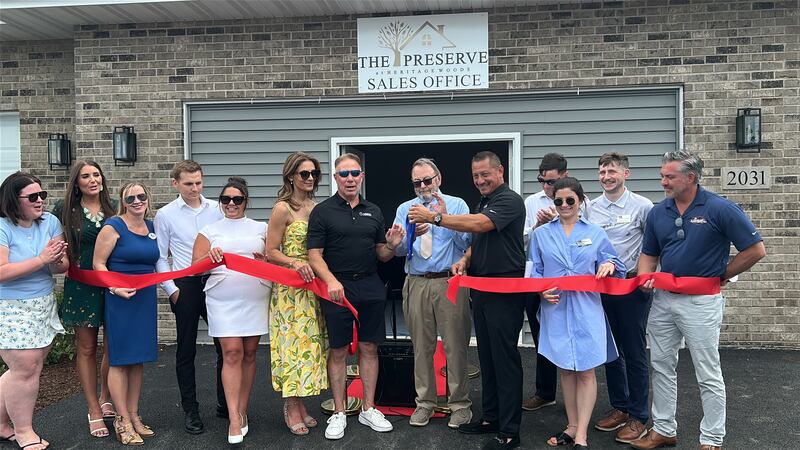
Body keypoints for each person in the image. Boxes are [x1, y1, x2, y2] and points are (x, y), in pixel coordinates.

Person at [630, 151, 766, 450]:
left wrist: (721, 275)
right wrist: (643, 279)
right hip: (664, 301)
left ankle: (712, 439)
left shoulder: (720, 208)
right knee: (662, 367)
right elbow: (649, 253)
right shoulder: (658, 212)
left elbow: (755, 250)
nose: (663, 181)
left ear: (690, 177)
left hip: (701, 304)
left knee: (707, 372)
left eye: (669, 176)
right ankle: (664, 429)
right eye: (662, 175)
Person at [408, 151, 526, 450]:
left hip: (504, 289)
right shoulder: (485, 201)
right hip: (481, 288)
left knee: (505, 360)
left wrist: (435, 217)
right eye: (476, 176)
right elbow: (480, 241)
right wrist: (464, 259)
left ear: (500, 171)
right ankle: (491, 418)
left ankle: (510, 430)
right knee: (487, 357)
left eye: (485, 174)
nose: (480, 180)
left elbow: (481, 225)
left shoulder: (508, 200)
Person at [307, 153, 403, 441]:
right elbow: (314, 255)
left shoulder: (373, 210)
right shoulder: (322, 211)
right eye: (344, 174)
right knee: (337, 350)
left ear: (362, 176)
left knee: (369, 347)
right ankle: (339, 411)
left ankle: (368, 408)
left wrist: (392, 245)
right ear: (336, 178)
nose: (350, 178)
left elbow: (382, 254)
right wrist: (332, 281)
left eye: (355, 173)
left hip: (371, 286)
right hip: (336, 288)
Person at [528, 176, 624, 449]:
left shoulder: (595, 233)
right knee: (566, 370)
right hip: (555, 308)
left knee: (585, 371)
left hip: (586, 309)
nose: (564, 205)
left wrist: (607, 264)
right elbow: (532, 270)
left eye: (570, 200)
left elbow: (614, 261)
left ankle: (581, 434)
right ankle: (570, 426)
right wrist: (539, 290)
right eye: (559, 201)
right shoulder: (541, 234)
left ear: (581, 201)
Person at [391, 158, 473, 429]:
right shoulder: (406, 208)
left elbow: (467, 243)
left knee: (455, 344)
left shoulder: (457, 204)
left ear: (438, 178)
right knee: (421, 346)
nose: (423, 186)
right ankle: (425, 402)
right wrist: (403, 239)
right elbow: (401, 249)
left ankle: (459, 404)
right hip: (417, 280)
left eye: (427, 180)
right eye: (417, 182)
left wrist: (443, 219)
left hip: (449, 281)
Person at [192, 176, 270, 445]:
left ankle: (242, 410)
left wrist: (267, 260)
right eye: (226, 199)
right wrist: (209, 258)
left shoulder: (261, 228)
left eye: (237, 199)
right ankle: (233, 418)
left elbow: (274, 259)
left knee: (249, 354)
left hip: (255, 295)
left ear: (246, 201)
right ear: (220, 202)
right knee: (231, 352)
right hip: (222, 298)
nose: (231, 204)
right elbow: (195, 266)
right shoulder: (209, 230)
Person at [585, 152, 653, 444]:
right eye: (602, 172)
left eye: (612, 171)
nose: (606, 176)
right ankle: (620, 407)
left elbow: (655, 245)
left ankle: (639, 416)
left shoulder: (643, 206)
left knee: (634, 351)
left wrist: (645, 276)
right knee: (611, 350)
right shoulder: (591, 208)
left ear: (626, 174)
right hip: (602, 289)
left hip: (632, 288)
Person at [154, 160, 225, 435]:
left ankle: (224, 403)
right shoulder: (165, 215)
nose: (195, 188)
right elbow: (160, 257)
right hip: (185, 286)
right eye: (188, 184)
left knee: (224, 345)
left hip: (215, 283)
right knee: (186, 350)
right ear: (176, 184)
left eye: (198, 182)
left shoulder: (217, 209)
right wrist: (172, 291)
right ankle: (191, 410)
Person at [0, 172, 69, 450]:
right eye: (32, 197)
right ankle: (24, 431)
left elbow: (60, 266)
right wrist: (41, 258)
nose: (40, 201)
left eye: (42, 195)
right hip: (10, 307)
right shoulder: (3, 227)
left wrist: (56, 260)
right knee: (25, 369)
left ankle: (2, 425)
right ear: (12, 201)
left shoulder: (50, 222)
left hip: (43, 303)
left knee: (26, 369)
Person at [53, 161, 118, 438]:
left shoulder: (115, 206)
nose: (93, 179)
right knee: (87, 347)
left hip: (113, 284)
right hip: (82, 286)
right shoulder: (65, 210)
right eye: (86, 176)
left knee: (113, 346)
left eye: (96, 174)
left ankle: (106, 397)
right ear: (76, 183)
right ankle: (93, 409)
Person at [93, 182, 160, 446]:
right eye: (130, 197)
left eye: (141, 196)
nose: (136, 201)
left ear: (147, 198)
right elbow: (98, 264)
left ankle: (134, 415)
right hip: (120, 299)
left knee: (138, 359)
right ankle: (121, 420)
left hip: (145, 298)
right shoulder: (113, 227)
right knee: (120, 360)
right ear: (123, 201)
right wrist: (114, 287)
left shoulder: (152, 227)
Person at [266, 152, 328, 435]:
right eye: (304, 174)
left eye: (314, 173)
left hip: (313, 286)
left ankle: (301, 403)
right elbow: (271, 251)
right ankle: (291, 405)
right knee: (292, 346)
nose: (310, 178)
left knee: (310, 345)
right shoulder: (282, 209)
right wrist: (295, 262)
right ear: (290, 176)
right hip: (290, 288)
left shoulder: (317, 208)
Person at [520, 152, 584, 412]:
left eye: (552, 181)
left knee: (575, 336)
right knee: (541, 337)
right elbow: (522, 242)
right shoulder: (531, 202)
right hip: (539, 279)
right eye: (543, 181)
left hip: (573, 282)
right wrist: (537, 226)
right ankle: (545, 391)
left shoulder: (577, 200)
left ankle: (581, 390)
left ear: (565, 175)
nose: (547, 187)